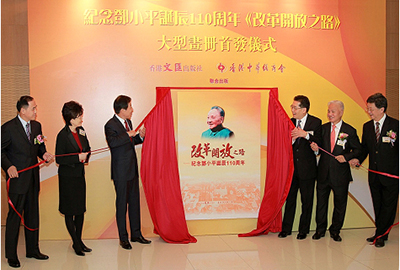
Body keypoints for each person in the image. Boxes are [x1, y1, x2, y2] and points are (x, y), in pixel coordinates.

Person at [1, 96, 53, 268]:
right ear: (22, 110)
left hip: (32, 179)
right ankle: (11, 255)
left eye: (36, 108)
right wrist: (8, 166)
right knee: (15, 217)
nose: (35, 111)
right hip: (17, 181)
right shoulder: (8, 128)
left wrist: (44, 154)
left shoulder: (36, 126)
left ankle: (33, 250)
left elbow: (38, 146)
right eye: (33, 108)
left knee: (32, 215)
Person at [349, 93, 399, 248]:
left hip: (391, 175)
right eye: (367, 108)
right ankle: (380, 231)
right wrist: (358, 159)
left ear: (381, 109)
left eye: (371, 109)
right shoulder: (367, 126)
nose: (368, 111)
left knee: (388, 206)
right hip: (374, 175)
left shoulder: (395, 125)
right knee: (377, 204)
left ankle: (382, 235)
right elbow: (365, 148)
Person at [310, 100, 361, 242]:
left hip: (340, 175)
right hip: (323, 173)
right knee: (321, 203)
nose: (330, 114)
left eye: (333, 111)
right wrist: (315, 148)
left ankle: (335, 230)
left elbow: (358, 149)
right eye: (328, 111)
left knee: (340, 204)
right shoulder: (323, 128)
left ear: (341, 112)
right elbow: (319, 145)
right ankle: (320, 230)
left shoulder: (349, 130)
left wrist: (346, 157)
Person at [104, 95, 151, 250]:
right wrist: (128, 134)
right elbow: (113, 143)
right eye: (130, 107)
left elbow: (130, 143)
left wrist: (139, 137)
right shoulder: (110, 124)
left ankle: (136, 234)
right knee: (122, 205)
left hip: (132, 169)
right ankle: (123, 238)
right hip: (120, 172)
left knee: (135, 203)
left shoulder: (128, 122)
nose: (132, 110)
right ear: (122, 110)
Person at [278, 95, 322, 240]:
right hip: (292, 169)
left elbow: (319, 145)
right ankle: (286, 229)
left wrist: (305, 135)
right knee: (290, 200)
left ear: (304, 109)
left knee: (306, 201)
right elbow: (284, 145)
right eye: (292, 107)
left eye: (295, 107)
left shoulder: (315, 122)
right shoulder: (289, 122)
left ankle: (304, 230)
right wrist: (293, 139)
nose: (292, 110)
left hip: (307, 170)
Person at [55, 101, 92, 256]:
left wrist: (85, 157)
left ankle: (79, 240)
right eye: (78, 116)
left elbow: (88, 148)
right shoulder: (62, 136)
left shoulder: (81, 131)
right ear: (70, 119)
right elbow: (59, 159)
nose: (81, 119)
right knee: (70, 211)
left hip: (79, 177)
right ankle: (76, 243)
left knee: (80, 210)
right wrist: (77, 158)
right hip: (67, 178)